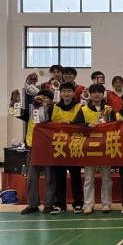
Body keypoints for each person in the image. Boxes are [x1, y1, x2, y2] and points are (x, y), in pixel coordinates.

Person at [11, 88, 56, 214]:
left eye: (45, 98)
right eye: (40, 97)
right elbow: (15, 112)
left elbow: (47, 118)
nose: (42, 99)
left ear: (51, 101)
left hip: (49, 149)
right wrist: (14, 101)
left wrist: (42, 105)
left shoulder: (53, 111)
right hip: (33, 148)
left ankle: (49, 204)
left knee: (50, 178)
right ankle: (32, 204)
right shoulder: (31, 112)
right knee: (32, 178)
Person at [72, 84, 114, 215]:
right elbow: (76, 125)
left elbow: (115, 126)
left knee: (106, 177)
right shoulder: (83, 110)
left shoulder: (109, 109)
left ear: (103, 95)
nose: (97, 95)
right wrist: (86, 125)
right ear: (90, 94)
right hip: (89, 148)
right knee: (89, 178)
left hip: (105, 147)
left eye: (99, 92)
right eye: (94, 92)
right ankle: (88, 204)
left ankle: (106, 203)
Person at [50, 82, 84, 214]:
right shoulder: (54, 108)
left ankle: (78, 203)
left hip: (74, 146)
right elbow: (46, 123)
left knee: (75, 176)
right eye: (64, 91)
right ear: (60, 93)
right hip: (58, 147)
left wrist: (70, 124)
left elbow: (82, 124)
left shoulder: (80, 107)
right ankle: (60, 204)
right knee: (59, 177)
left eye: (69, 91)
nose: (66, 94)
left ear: (74, 93)